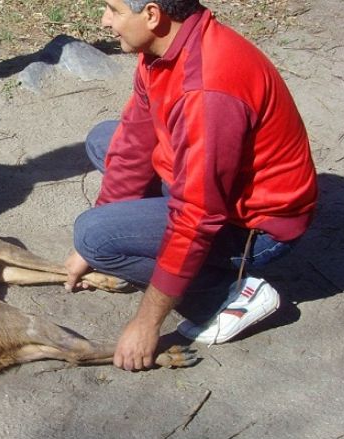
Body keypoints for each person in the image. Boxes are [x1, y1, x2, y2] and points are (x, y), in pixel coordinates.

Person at [63, 0, 317, 371]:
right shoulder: (166, 48)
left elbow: (198, 214)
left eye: (114, 10)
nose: (105, 21)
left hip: (254, 229)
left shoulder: (208, 91)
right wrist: (110, 214)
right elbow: (135, 139)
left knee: (93, 235)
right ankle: (137, 238)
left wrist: (148, 323)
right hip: (206, 186)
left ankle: (221, 297)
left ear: (152, 14)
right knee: (105, 139)